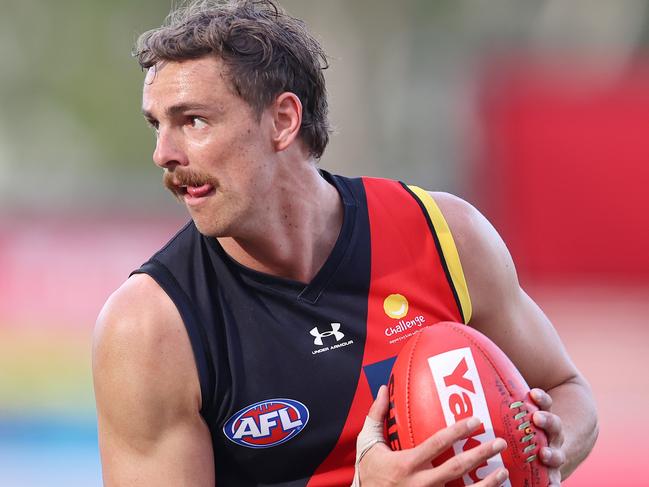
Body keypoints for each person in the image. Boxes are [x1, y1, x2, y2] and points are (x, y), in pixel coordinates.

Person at [92, 1, 598, 485]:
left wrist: (549, 447)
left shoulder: (445, 235)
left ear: (284, 120)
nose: (163, 153)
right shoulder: (149, 328)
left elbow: (567, 391)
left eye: (193, 120)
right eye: (157, 125)